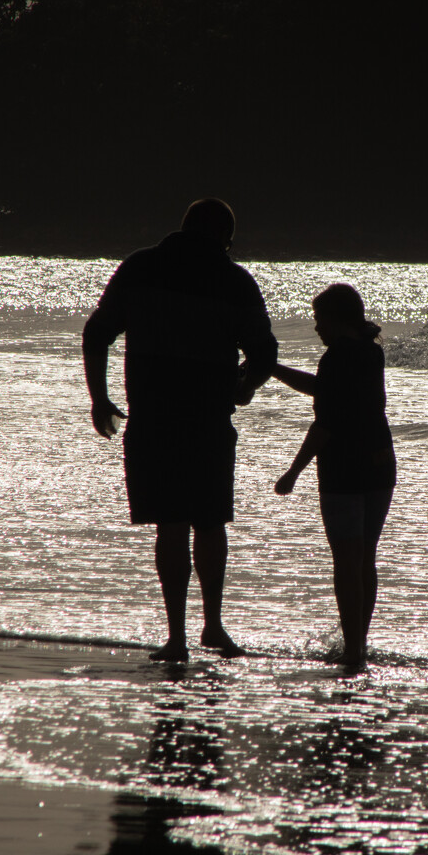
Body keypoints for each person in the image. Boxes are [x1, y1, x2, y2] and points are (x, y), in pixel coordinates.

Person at [82, 198, 278, 663]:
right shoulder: (234, 281)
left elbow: (97, 333)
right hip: (209, 420)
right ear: (226, 239)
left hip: (153, 418)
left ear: (183, 227)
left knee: (170, 526)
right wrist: (245, 386)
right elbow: (265, 353)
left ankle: (177, 638)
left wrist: (100, 398)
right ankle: (212, 625)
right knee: (209, 523)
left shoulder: (141, 267)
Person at [273, 283, 396, 666]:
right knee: (365, 559)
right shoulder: (370, 352)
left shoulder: (336, 357)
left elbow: (326, 423)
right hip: (380, 463)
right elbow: (326, 391)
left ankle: (354, 651)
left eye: (319, 319)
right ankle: (357, 643)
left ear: (336, 319)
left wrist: (293, 472)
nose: (315, 328)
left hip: (344, 468)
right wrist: (274, 369)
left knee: (346, 560)